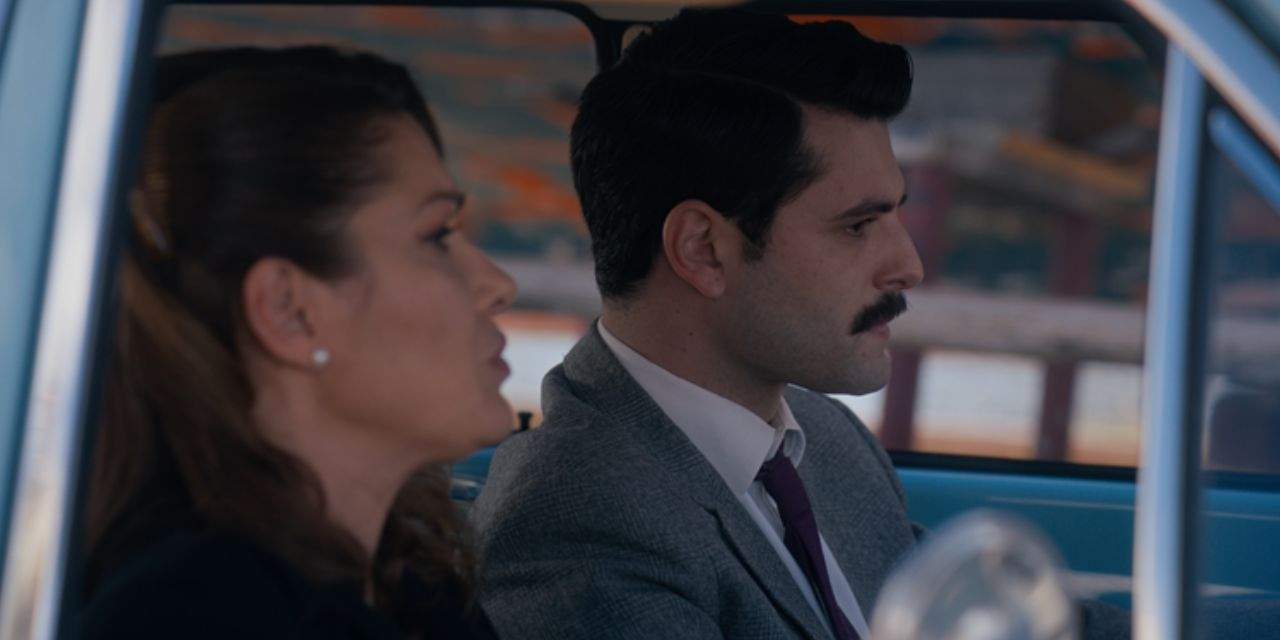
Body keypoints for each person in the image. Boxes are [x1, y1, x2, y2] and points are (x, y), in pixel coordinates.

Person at [472, 10, 1129, 640]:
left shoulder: (823, 438)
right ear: (703, 250)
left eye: (896, 216)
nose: (908, 266)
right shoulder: (578, 523)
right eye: (858, 226)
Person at [78, 46, 516, 639]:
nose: (497, 285)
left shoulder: (415, 589)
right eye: (437, 235)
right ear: (289, 311)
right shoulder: (195, 618)